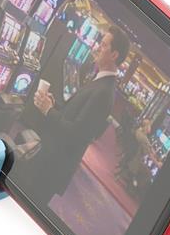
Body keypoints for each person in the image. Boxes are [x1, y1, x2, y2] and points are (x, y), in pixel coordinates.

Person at [27, 25, 130, 205]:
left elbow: (76, 134)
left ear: (114, 55)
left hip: (53, 165)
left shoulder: (104, 91)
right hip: (52, 158)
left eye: (103, 45)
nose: (98, 47)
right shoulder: (101, 81)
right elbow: (76, 116)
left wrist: (48, 111)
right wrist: (54, 105)